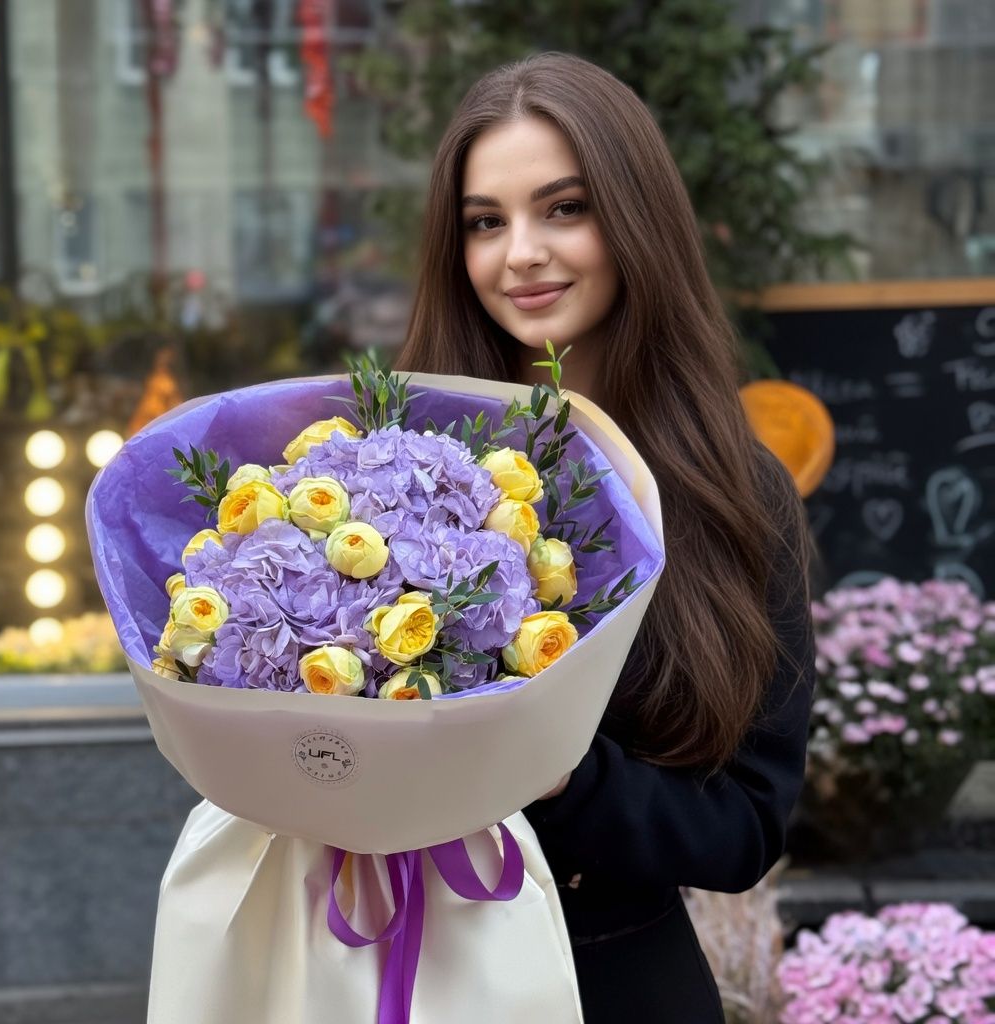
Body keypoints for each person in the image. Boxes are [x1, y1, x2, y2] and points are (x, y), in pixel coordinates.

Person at [395, 52, 815, 1023]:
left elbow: (746, 826)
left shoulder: (732, 491)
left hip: (618, 982)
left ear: (635, 218)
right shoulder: (388, 465)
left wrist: (558, 774)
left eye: (564, 208)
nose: (521, 253)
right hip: (398, 963)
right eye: (485, 222)